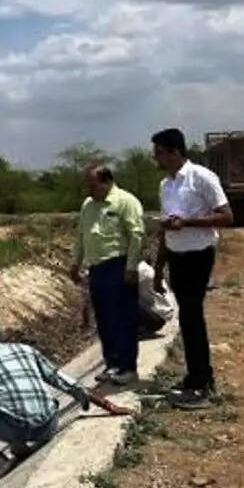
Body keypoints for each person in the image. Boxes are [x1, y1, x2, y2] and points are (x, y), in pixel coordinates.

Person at [0, 321, 137, 488]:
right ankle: (18, 444)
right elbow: (64, 381)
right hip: (48, 426)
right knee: (17, 403)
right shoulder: (25, 350)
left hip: (14, 429)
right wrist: (109, 406)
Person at [151, 128, 233, 410]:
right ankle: (195, 377)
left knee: (192, 315)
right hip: (176, 256)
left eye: (159, 152)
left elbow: (226, 216)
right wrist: (159, 267)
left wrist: (187, 222)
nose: (155, 158)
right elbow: (167, 229)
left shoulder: (202, 177)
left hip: (199, 255)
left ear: (175, 151)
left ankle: (202, 381)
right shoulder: (166, 185)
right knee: (187, 318)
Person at [69, 165, 146, 387]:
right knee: (104, 318)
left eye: (93, 185)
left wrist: (131, 267)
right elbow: (81, 236)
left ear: (106, 182)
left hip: (119, 265)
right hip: (97, 268)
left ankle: (128, 367)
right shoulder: (88, 205)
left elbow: (136, 236)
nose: (89, 190)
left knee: (123, 318)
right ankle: (111, 362)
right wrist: (75, 263)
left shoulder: (125, 201)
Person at [136, 261, 174, 337]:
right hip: (160, 315)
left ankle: (142, 330)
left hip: (156, 317)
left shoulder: (140, 269)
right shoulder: (144, 267)